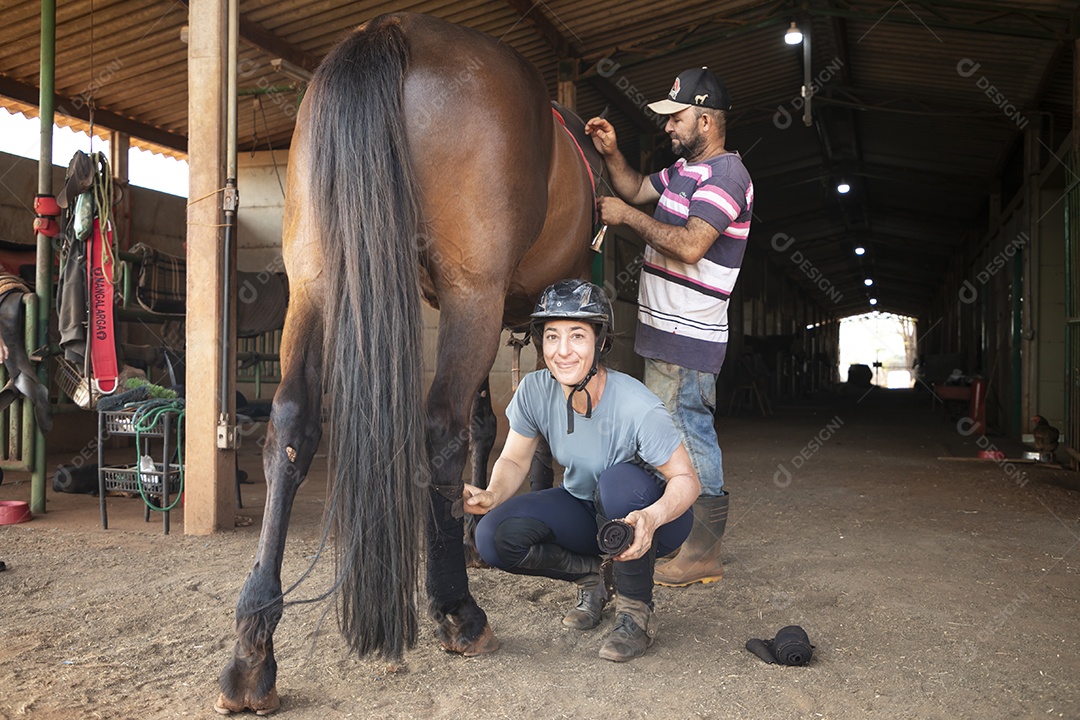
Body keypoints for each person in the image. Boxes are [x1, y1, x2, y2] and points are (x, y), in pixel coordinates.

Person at [464, 279, 699, 662]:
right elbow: (514, 459)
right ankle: (593, 577)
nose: (563, 351)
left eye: (577, 336)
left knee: (617, 481)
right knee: (492, 537)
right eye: (552, 336)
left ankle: (636, 615)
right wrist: (491, 494)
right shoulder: (535, 391)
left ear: (600, 342)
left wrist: (652, 518)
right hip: (588, 509)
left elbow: (687, 480)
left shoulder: (638, 406)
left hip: (654, 516)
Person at [584, 67, 753, 586]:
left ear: (705, 120)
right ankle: (683, 540)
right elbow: (635, 189)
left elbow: (691, 244)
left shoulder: (726, 176)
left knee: (689, 433)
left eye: (677, 118)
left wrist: (626, 219)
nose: (668, 127)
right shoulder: (684, 171)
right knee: (671, 435)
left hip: (689, 334)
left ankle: (704, 552)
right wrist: (613, 155)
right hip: (667, 333)